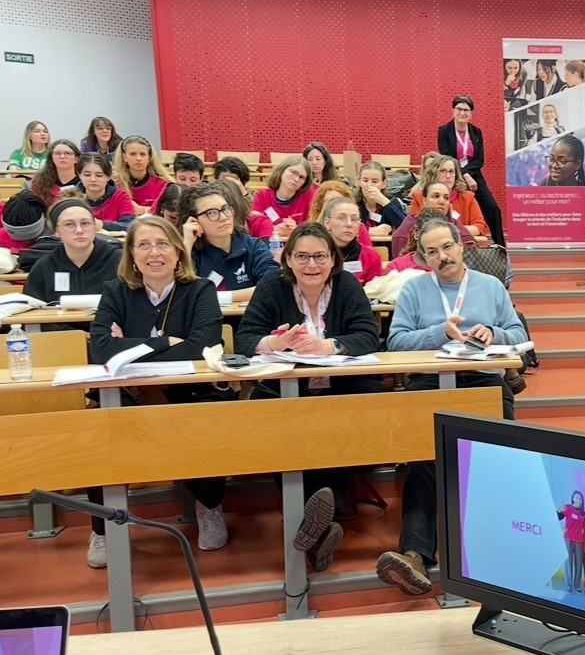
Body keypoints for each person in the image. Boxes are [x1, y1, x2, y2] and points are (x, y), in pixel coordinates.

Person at [376, 216, 527, 594]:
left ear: (461, 246)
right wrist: (437, 333)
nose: (442, 256)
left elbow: (519, 335)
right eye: (432, 252)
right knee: (424, 457)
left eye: (447, 247)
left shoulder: (490, 286)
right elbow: (396, 342)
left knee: (494, 456)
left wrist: (493, 333)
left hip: (481, 379)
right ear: (423, 257)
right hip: (429, 381)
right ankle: (414, 555)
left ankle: (498, 546)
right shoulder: (413, 289)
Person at [236, 222, 383, 571]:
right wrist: (275, 342)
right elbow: (244, 339)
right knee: (267, 414)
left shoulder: (346, 286)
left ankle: (312, 523)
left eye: (320, 256)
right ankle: (320, 523)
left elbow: (368, 336)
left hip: (342, 387)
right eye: (302, 256)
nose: (311, 264)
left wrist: (330, 345)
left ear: (333, 260)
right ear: (288, 259)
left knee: (351, 414)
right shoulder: (273, 286)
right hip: (287, 389)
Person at [88, 217, 229, 564]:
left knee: (204, 419)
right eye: (144, 245)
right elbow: (102, 349)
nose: (154, 253)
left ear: (178, 253)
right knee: (98, 427)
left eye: (163, 244)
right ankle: (103, 528)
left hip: (190, 391)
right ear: (132, 256)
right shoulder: (116, 291)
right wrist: (167, 342)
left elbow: (202, 346)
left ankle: (209, 506)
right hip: (128, 390)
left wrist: (130, 345)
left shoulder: (200, 290)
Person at [179, 182, 278, 302]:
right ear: (194, 220)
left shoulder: (254, 246)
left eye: (225, 209)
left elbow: (273, 285)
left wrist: (220, 297)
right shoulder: (192, 251)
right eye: (211, 213)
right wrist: (187, 244)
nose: (224, 217)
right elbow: (180, 293)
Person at [24, 199, 122, 302]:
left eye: (85, 223)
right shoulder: (44, 267)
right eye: (69, 224)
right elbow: (30, 305)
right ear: (56, 231)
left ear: (95, 226)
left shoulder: (119, 261)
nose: (79, 230)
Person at [439, 94, 505, 245]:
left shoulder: (476, 132)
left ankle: (500, 246)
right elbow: (447, 158)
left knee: (493, 208)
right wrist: (464, 176)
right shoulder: (444, 130)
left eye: (466, 110)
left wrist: (468, 174)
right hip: (452, 176)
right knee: (458, 211)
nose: (462, 113)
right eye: (459, 109)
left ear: (471, 113)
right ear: (453, 111)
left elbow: (479, 159)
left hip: (475, 175)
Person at [406, 155, 487, 237]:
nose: (448, 176)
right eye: (443, 171)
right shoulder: (419, 197)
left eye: (451, 171)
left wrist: (449, 230)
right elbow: (412, 227)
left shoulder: (468, 197)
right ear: (433, 174)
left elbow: (480, 227)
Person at [393, 181, 478, 258]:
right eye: (436, 196)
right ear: (424, 200)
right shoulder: (405, 232)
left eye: (446, 198)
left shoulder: (462, 234)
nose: (442, 201)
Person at [249, 155, 316, 238]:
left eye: (301, 177)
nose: (296, 179)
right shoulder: (262, 196)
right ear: (282, 170)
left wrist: (297, 229)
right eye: (293, 172)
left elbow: (314, 227)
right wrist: (274, 229)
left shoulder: (309, 197)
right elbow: (253, 225)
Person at [322, 197, 383, 284]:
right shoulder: (313, 253)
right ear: (327, 223)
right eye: (341, 218)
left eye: (354, 219)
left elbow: (374, 290)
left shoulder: (371, 257)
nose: (349, 224)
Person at [113, 136, 172, 214]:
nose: (138, 158)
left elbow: (170, 212)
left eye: (142, 154)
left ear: (149, 158)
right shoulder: (114, 183)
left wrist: (143, 210)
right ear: (124, 157)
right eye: (133, 154)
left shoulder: (163, 183)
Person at [77, 153, 135, 228]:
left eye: (99, 175)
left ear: (109, 176)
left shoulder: (121, 197)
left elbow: (130, 226)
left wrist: (102, 224)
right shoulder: (70, 197)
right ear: (79, 175)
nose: (93, 179)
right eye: (87, 175)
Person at [27, 140, 81, 207]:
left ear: (76, 159)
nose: (62, 156)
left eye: (68, 153)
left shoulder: (83, 181)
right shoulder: (41, 181)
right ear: (51, 158)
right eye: (57, 153)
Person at [558, 491, 585, 593]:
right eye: (576, 498)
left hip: (579, 541)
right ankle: (569, 585)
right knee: (568, 563)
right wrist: (559, 510)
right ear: (573, 498)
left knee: (578, 564)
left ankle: (577, 585)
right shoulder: (568, 507)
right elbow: (559, 517)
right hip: (568, 539)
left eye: (580, 499)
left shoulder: (584, 513)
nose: (578, 500)